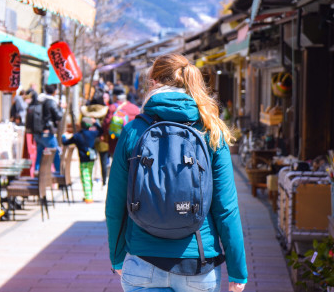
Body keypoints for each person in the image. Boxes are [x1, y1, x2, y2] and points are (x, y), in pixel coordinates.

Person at [105, 53, 247, 292]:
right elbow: (226, 207)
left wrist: (117, 257)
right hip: (199, 263)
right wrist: (237, 270)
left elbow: (116, 204)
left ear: (153, 82)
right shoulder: (211, 131)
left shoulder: (132, 131)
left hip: (141, 260)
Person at [62, 117, 103, 203]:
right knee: (89, 176)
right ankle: (89, 194)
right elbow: (101, 131)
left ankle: (88, 197)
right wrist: (95, 122)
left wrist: (63, 136)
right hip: (91, 159)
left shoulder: (77, 136)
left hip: (83, 160)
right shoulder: (92, 133)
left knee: (85, 178)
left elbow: (65, 142)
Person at [27, 84, 63, 172]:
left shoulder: (39, 100)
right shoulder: (51, 102)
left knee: (39, 154)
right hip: (47, 133)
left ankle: (37, 174)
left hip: (37, 133)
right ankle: (59, 175)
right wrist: (61, 108)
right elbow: (59, 116)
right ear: (55, 91)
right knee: (56, 154)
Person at [81, 89, 110, 186]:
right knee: (103, 162)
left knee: (90, 161)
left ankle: (90, 181)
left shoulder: (86, 110)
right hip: (102, 139)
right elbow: (106, 124)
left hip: (90, 140)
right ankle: (104, 182)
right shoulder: (105, 110)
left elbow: (81, 124)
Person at [103, 85, 140, 157]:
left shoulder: (112, 108)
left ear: (114, 97)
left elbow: (106, 124)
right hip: (132, 144)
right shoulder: (135, 108)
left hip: (115, 145)